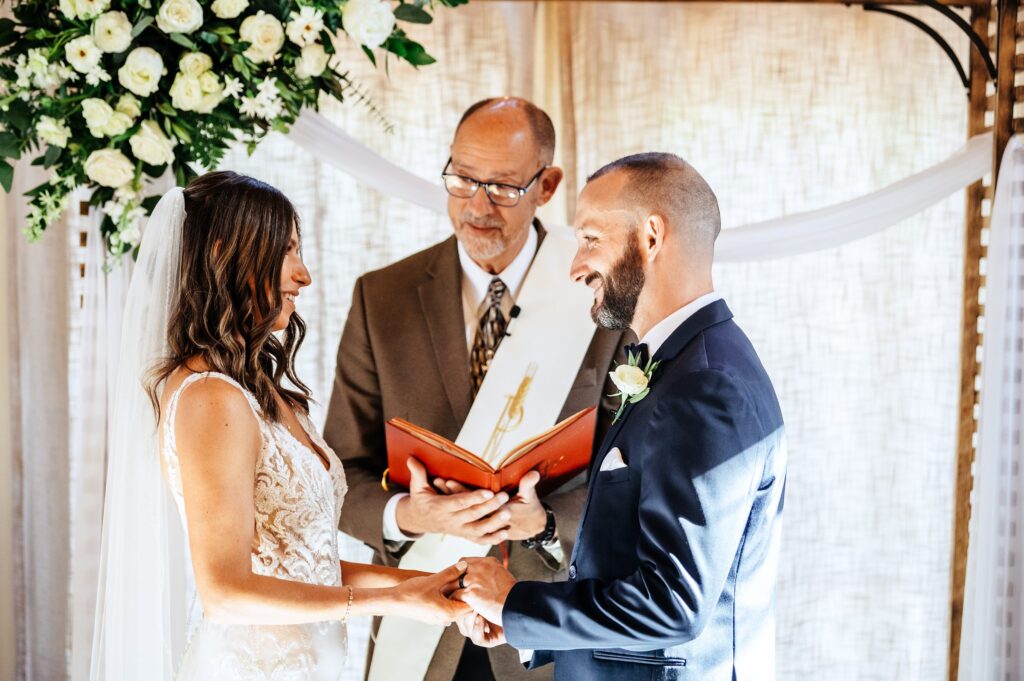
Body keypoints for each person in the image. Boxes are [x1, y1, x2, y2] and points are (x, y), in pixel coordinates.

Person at [90, 171, 469, 681]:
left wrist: (432, 584)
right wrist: (397, 599)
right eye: (287, 251)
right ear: (229, 255)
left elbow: (308, 562)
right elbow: (225, 592)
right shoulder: (210, 398)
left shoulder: (258, 388)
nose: (304, 275)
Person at [324, 97, 626, 681]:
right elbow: (341, 471)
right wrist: (409, 514)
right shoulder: (382, 297)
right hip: (421, 614)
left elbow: (631, 469)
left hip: (551, 619)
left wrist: (544, 522)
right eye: (462, 178)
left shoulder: (597, 294)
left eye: (504, 187)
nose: (477, 205)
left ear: (548, 184)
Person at [455, 153, 788, 681]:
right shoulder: (684, 362)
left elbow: (672, 603)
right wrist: (521, 621)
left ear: (651, 237)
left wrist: (518, 603)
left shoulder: (704, 384)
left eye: (590, 239)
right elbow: (630, 570)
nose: (574, 266)